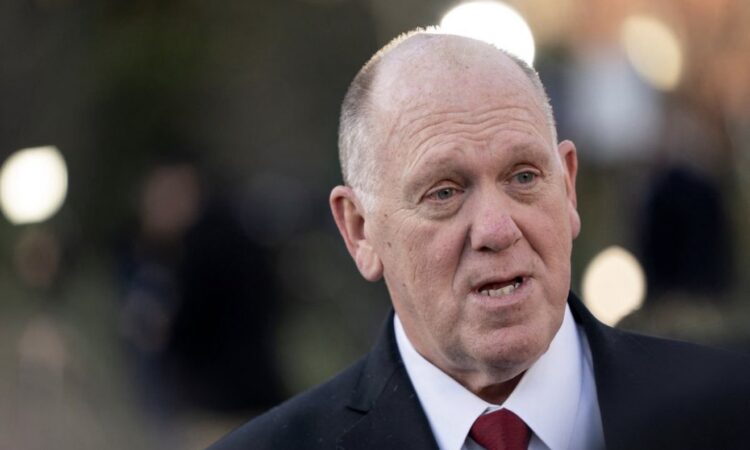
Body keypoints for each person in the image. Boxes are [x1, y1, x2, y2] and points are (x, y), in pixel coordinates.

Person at [209, 29, 750, 450]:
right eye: (444, 192)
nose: (497, 229)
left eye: (523, 177)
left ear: (568, 188)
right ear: (360, 230)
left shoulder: (732, 410)